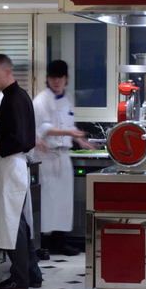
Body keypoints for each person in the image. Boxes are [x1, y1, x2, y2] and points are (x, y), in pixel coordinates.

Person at [0, 54, 43, 289]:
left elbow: (19, 139)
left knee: (13, 223)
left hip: (11, 165)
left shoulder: (13, 99)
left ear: (7, 71)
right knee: (19, 222)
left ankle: (20, 278)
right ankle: (32, 273)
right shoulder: (18, 96)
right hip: (15, 166)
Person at [32, 59, 90, 256]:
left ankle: (60, 241)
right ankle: (42, 244)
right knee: (47, 202)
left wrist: (80, 140)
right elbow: (44, 128)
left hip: (63, 156)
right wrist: (69, 133)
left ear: (66, 79)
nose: (56, 82)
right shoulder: (41, 100)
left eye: (60, 78)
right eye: (53, 78)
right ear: (48, 79)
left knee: (64, 202)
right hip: (47, 157)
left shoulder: (67, 99)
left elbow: (69, 124)